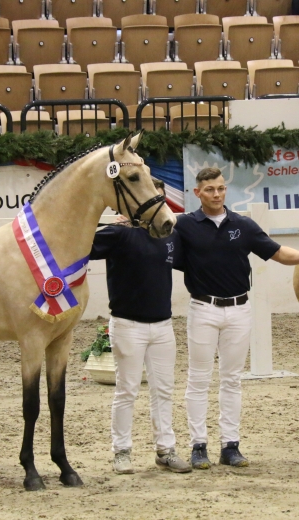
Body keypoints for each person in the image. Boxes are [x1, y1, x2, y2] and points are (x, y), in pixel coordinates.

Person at [175, 168, 299, 470]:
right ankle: (198, 445)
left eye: (220, 188)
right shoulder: (184, 225)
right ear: (197, 193)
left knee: (231, 379)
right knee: (199, 379)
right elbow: (158, 242)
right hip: (203, 309)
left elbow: (276, 252)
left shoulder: (242, 225)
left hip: (239, 309)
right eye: (209, 190)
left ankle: (230, 445)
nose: (216, 195)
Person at [89, 178, 191, 475]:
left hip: (163, 325)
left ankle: (166, 449)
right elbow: (81, 245)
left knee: (163, 390)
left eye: (160, 198)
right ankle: (121, 451)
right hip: (127, 324)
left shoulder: (170, 234)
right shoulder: (118, 233)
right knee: (127, 390)